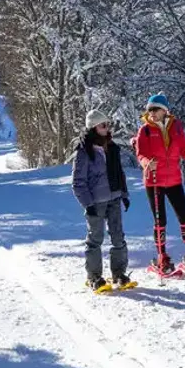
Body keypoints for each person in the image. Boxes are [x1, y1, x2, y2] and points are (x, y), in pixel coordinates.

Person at [133, 94, 185, 274]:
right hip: (154, 182)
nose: (151, 113)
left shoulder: (176, 128)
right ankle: (162, 256)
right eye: (149, 109)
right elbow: (140, 153)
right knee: (160, 221)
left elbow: (184, 150)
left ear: (165, 110)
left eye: (155, 109)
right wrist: (146, 164)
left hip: (174, 180)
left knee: (184, 217)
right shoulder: (145, 130)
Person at [71, 109, 133, 292]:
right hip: (96, 202)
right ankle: (94, 277)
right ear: (93, 128)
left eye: (107, 124)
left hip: (114, 198)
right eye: (103, 125)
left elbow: (119, 173)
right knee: (95, 239)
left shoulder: (112, 147)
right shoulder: (84, 151)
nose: (107, 128)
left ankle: (119, 274)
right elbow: (77, 182)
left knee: (118, 237)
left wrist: (124, 194)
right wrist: (87, 204)